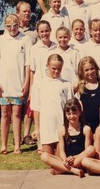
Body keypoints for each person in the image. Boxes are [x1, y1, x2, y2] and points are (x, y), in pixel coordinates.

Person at [0, 14, 32, 155]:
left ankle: (17, 146)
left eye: (15, 25)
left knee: (16, 114)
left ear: (19, 25)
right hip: (4, 84)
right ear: (5, 26)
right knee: (4, 114)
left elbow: (28, 64)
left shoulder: (25, 39)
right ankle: (3, 145)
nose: (12, 28)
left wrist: (26, 82)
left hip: (19, 83)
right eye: (9, 26)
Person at [40, 99, 95, 177]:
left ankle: (62, 169)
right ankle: (72, 170)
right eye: (69, 114)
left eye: (74, 113)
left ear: (80, 112)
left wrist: (74, 158)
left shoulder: (86, 129)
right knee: (44, 155)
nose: (72, 116)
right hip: (66, 160)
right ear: (65, 115)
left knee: (91, 149)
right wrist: (65, 160)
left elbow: (87, 152)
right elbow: (62, 152)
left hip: (78, 160)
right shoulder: (62, 130)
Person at [36, 54, 73, 155]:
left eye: (59, 69)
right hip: (46, 126)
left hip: (61, 125)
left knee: (59, 160)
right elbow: (36, 108)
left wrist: (67, 127)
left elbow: (70, 108)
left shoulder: (66, 85)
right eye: (54, 68)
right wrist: (37, 129)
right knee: (47, 157)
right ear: (47, 66)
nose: (56, 71)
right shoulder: (40, 84)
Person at [29, 20, 57, 153]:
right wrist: (30, 89)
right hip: (39, 85)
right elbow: (32, 70)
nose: (44, 33)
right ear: (38, 33)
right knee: (38, 112)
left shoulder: (56, 47)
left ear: (50, 30)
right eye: (42, 31)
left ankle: (54, 141)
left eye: (46, 30)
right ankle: (40, 141)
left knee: (52, 113)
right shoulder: (34, 48)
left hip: (52, 85)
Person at [16, 1, 38, 146]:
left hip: (30, 72)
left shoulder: (34, 33)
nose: (27, 13)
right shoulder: (13, 31)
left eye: (29, 11)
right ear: (17, 13)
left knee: (29, 104)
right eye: (24, 11)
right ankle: (17, 135)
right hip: (17, 72)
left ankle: (26, 134)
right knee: (17, 106)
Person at [76, 56, 100, 133]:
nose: (90, 72)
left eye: (92, 68)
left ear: (96, 68)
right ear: (82, 72)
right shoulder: (79, 85)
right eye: (86, 70)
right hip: (86, 125)